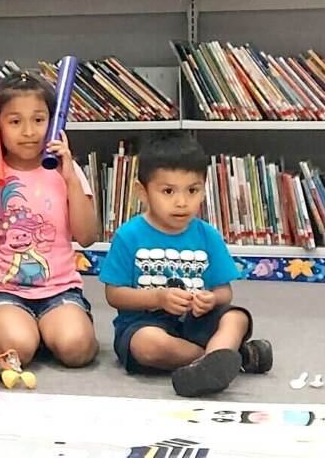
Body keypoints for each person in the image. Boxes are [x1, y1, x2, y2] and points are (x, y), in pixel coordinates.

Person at [100, 131, 273, 397]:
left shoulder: (207, 235)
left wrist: (210, 299)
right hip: (146, 324)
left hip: (196, 321)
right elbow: (114, 295)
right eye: (168, 191)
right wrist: (157, 297)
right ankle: (226, 359)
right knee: (148, 346)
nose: (182, 202)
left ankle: (216, 362)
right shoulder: (128, 235)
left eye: (192, 190)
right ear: (142, 192)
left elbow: (224, 291)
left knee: (235, 317)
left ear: (204, 189)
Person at [0, 71, 99, 368]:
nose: (28, 131)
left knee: (77, 349)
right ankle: (10, 331)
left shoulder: (65, 170)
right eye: (14, 121)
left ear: (53, 122)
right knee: (18, 347)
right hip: (2, 291)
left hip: (60, 290)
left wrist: (71, 179)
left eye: (38, 119)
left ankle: (47, 330)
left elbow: (87, 236)